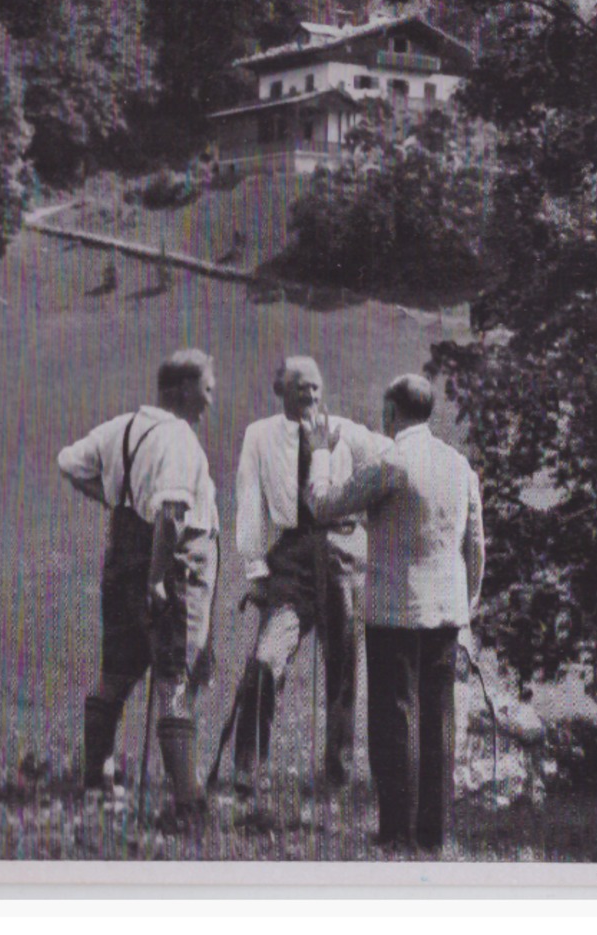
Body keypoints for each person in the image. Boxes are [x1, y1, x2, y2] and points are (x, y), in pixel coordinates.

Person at [302, 373, 485, 853]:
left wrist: (321, 452)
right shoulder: (458, 465)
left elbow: (324, 505)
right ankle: (434, 832)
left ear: (391, 410)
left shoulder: (391, 462)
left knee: (393, 716)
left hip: (395, 610)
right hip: (447, 609)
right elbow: (476, 545)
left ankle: (397, 830)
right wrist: (467, 603)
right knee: (437, 717)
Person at [57, 348, 219, 821]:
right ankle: (187, 801)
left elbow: (69, 463)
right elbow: (170, 515)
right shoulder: (179, 440)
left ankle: (97, 780)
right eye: (208, 389)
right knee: (173, 679)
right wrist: (157, 580)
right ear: (185, 389)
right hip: (170, 570)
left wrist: (113, 501)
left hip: (121, 562)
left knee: (117, 672)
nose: (211, 400)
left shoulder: (121, 427)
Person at [232, 355, 385, 796]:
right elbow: (250, 500)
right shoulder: (260, 436)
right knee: (265, 660)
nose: (312, 398)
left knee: (342, 668)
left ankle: (336, 776)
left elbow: (393, 467)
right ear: (282, 392)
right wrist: (256, 568)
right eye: (302, 390)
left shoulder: (349, 433)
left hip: (343, 551)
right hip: (293, 558)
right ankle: (248, 768)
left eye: (317, 389)